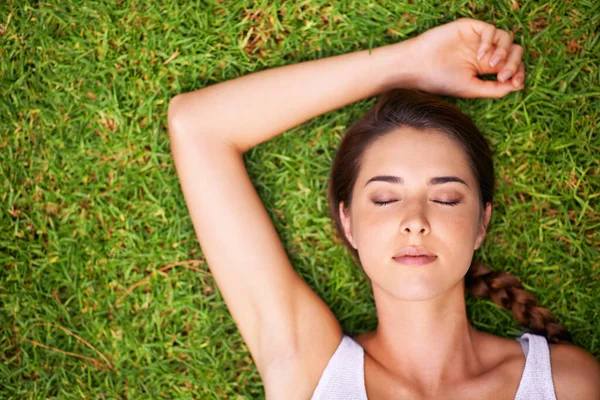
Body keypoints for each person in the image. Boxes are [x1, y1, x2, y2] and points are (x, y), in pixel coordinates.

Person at [166, 17, 600, 399]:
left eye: (446, 197)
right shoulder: (310, 371)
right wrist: (409, 63)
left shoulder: (567, 383)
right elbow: (199, 125)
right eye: (385, 198)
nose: (415, 221)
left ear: (481, 223)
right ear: (348, 223)